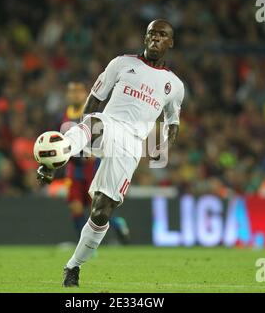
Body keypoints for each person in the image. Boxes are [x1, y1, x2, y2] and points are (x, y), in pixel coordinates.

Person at [37, 19, 186, 287]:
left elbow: (172, 121)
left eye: (162, 35)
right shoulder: (121, 63)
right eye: (151, 34)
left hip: (131, 143)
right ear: (145, 38)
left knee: (101, 211)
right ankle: (54, 159)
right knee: (93, 122)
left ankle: (73, 266)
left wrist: (165, 145)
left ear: (170, 42)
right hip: (110, 123)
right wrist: (81, 138)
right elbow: (94, 100)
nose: (155, 39)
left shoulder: (174, 85)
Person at [61, 81, 130, 242]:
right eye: (72, 91)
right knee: (75, 207)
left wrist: (94, 151)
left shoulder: (93, 112)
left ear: (85, 94)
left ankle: (117, 223)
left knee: (97, 210)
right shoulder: (64, 115)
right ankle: (84, 245)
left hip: (92, 167)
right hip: (73, 168)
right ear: (67, 95)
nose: (75, 94)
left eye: (78, 91)